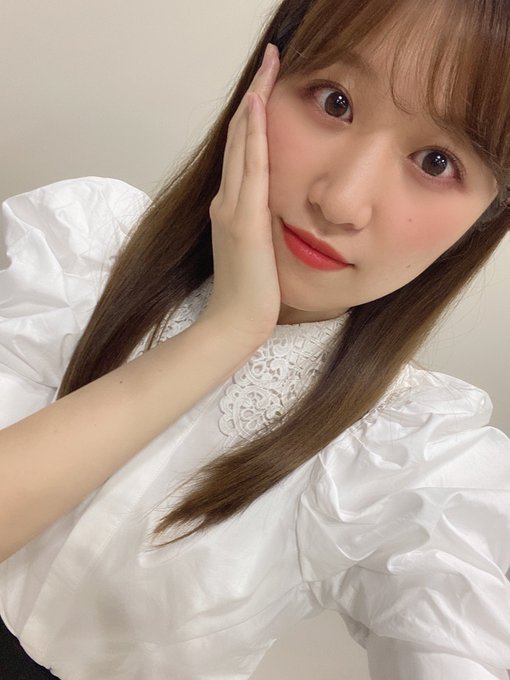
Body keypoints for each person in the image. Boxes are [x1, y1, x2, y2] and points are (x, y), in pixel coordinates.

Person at [0, 0, 509, 678]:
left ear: (487, 217)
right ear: (264, 77)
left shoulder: (412, 457)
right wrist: (226, 331)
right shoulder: (76, 248)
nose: (341, 200)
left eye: (437, 162)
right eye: (334, 101)